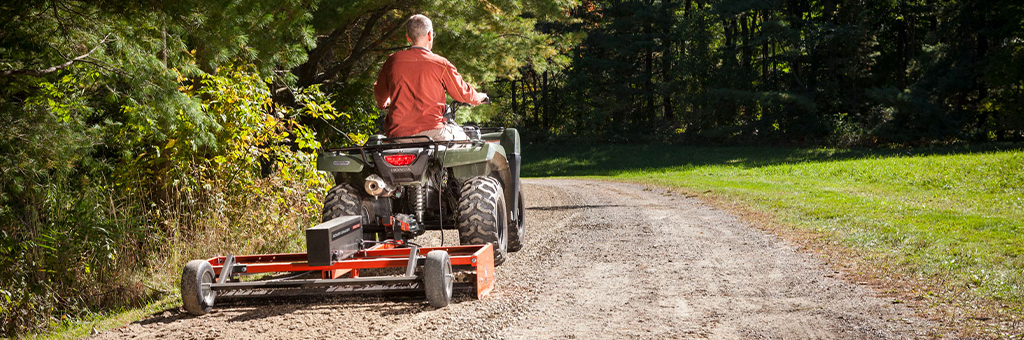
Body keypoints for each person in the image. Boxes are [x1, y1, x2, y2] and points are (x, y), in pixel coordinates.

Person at [373, 14, 488, 141]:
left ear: (408, 37)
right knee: (468, 141)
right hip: (433, 133)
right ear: (429, 35)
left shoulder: (392, 61)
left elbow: (380, 93)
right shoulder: (441, 64)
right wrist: (478, 97)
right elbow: (462, 92)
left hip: (398, 135)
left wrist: (384, 103)